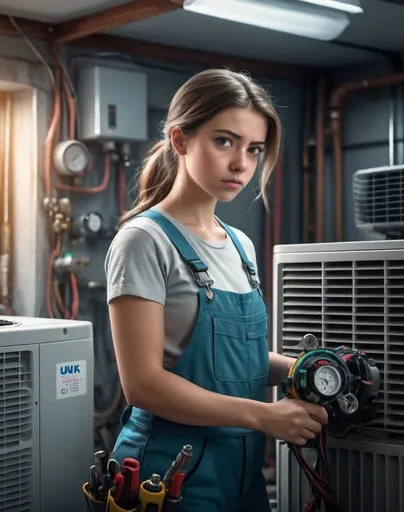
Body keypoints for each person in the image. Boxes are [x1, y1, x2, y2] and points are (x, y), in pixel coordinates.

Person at [105, 68, 328, 512]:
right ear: (180, 140)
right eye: (224, 141)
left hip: (239, 468)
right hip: (168, 472)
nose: (241, 164)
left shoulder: (240, 245)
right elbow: (144, 384)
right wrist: (264, 416)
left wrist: (301, 369)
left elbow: (225, 363)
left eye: (254, 149)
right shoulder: (144, 241)